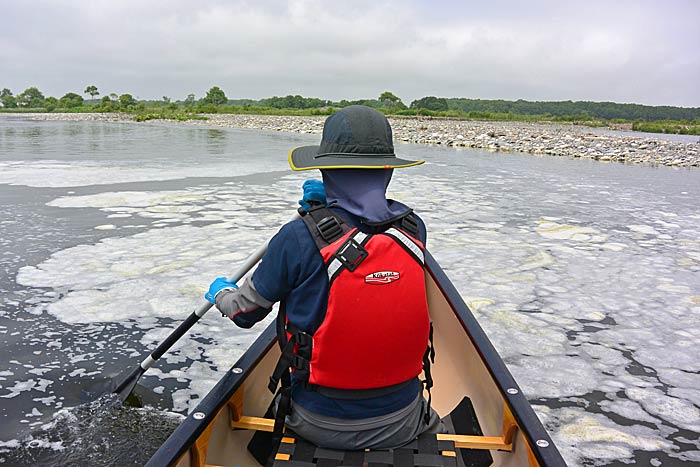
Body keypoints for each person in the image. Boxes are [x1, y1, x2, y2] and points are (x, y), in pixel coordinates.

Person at [206, 105, 444, 452]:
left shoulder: (296, 237)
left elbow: (245, 314)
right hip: (404, 418)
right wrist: (326, 210)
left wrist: (222, 295)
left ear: (325, 168)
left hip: (316, 423)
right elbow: (365, 227)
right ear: (388, 169)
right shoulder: (413, 228)